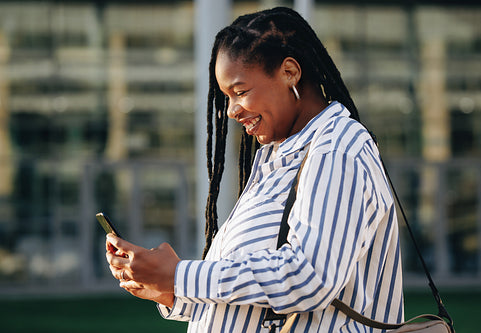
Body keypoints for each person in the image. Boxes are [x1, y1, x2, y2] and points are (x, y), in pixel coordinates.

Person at [106, 6, 403, 332]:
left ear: (289, 72)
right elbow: (253, 292)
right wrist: (169, 290)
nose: (231, 110)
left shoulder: (336, 150)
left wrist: (181, 274)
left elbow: (309, 278)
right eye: (226, 97)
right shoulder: (276, 158)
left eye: (241, 91)